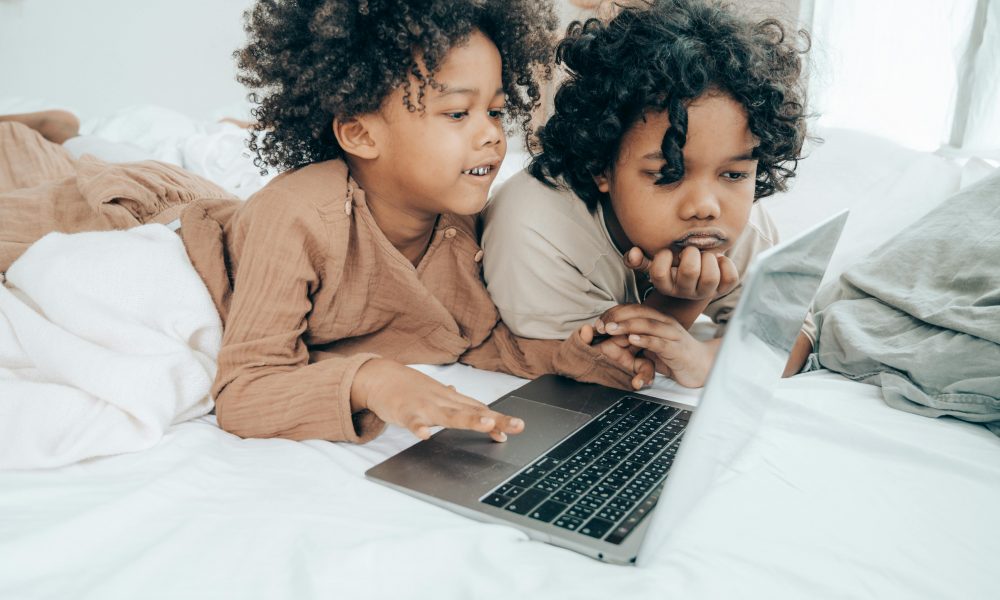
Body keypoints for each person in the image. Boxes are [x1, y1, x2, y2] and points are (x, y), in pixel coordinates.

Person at [481, 0, 813, 390]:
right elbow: (594, 370)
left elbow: (794, 335)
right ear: (601, 165)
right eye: (669, 173)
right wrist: (682, 303)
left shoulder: (732, 222)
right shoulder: (532, 228)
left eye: (735, 173)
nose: (706, 206)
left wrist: (706, 360)